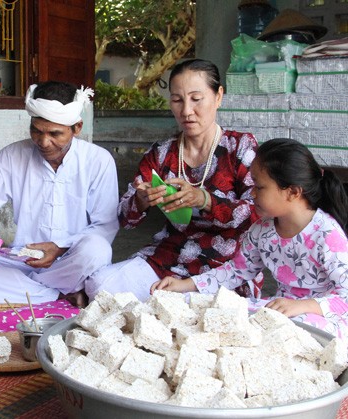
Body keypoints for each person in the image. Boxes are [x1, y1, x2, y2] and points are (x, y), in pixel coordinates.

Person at [85, 59, 261, 302]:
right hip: (171, 257)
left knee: (204, 314)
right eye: (177, 100)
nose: (186, 111)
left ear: (218, 96)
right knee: (99, 286)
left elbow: (259, 213)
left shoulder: (240, 147)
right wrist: (141, 199)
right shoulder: (162, 153)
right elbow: (124, 216)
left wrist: (205, 200)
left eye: (196, 99)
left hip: (228, 266)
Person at [0, 81, 119, 306]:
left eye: (54, 134)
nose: (43, 142)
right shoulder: (12, 156)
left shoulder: (98, 161)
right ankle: (58, 298)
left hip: (68, 262)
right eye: (36, 131)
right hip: (20, 260)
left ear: (77, 128)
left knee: (97, 250)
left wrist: (60, 248)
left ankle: (26, 294)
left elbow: (104, 226)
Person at [153, 138, 348, 338]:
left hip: (326, 318)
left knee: (289, 331)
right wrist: (185, 285)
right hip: (281, 309)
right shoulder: (261, 230)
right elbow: (236, 271)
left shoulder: (327, 235)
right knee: (228, 313)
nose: (252, 193)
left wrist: (301, 306)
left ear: (292, 192)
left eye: (259, 186)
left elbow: (346, 298)